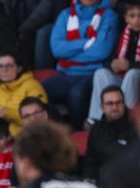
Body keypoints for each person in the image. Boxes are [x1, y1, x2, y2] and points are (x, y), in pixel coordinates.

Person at [45, 0, 118, 129]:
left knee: (76, 94)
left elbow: (101, 51)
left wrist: (70, 50)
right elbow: (56, 49)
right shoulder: (65, 14)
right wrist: (86, 43)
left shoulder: (109, 15)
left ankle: (78, 133)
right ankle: (55, 130)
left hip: (93, 72)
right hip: (67, 71)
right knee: (42, 90)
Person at [87, 0, 140, 123]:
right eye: (132, 16)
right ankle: (96, 120)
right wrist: (112, 64)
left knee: (132, 74)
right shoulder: (123, 35)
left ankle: (123, 119)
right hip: (123, 78)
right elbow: (109, 59)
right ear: (126, 18)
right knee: (101, 73)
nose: (136, 20)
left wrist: (130, 65)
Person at [0, 51, 48, 136]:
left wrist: (8, 113)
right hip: (1, 139)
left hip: (27, 136)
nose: (4, 70)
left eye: (9, 66)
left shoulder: (32, 85)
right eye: (0, 66)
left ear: (19, 68)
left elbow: (38, 119)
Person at [84, 85, 137, 180]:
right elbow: (90, 162)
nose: (115, 107)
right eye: (109, 103)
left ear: (124, 104)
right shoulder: (96, 129)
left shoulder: (137, 127)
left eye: (119, 103)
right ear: (102, 107)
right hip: (101, 185)